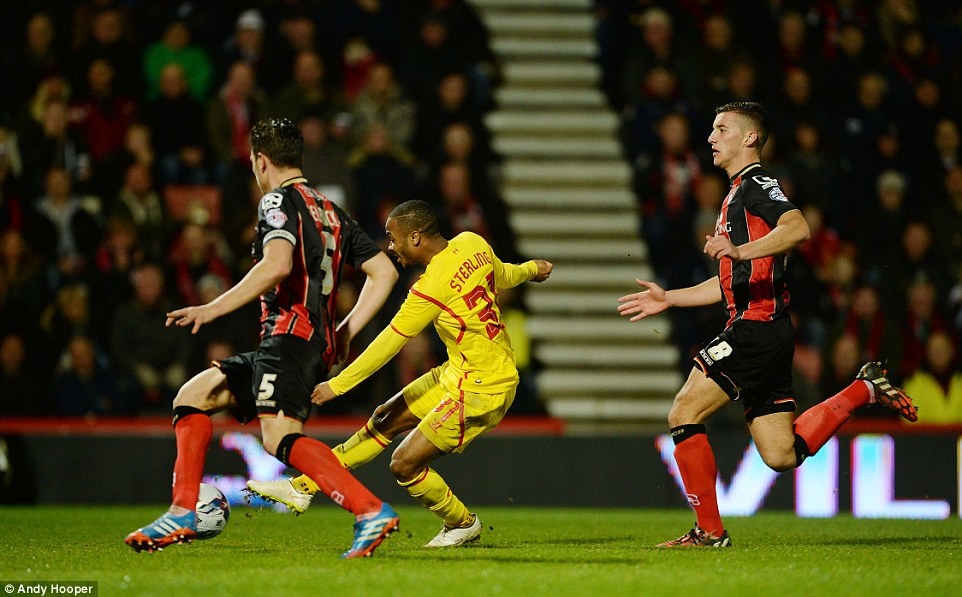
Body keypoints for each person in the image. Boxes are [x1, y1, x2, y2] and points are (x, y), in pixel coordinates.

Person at [616, 101, 918, 548]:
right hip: (770, 330)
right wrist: (670, 297)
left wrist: (740, 251)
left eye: (721, 129)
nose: (711, 138)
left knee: (683, 412)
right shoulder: (736, 195)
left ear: (750, 138)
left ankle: (709, 532)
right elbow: (729, 282)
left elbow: (798, 228)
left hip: (754, 327)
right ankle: (864, 389)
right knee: (781, 454)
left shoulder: (756, 185)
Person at [124, 118, 401, 559]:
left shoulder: (277, 200)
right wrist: (344, 330)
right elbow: (383, 271)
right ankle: (181, 511)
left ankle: (368, 509)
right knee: (192, 397)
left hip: (289, 337)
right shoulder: (329, 209)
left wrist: (212, 308)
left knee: (278, 438)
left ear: (260, 160)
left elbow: (277, 264)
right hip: (304, 341)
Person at [246, 199, 552, 547]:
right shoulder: (472, 243)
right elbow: (503, 274)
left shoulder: (430, 286)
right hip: (460, 371)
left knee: (404, 464)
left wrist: (339, 384)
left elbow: (388, 343)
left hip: (484, 389)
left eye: (393, 238)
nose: (390, 247)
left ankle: (462, 523)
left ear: (416, 237)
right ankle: (303, 487)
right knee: (384, 419)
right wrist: (532, 269)